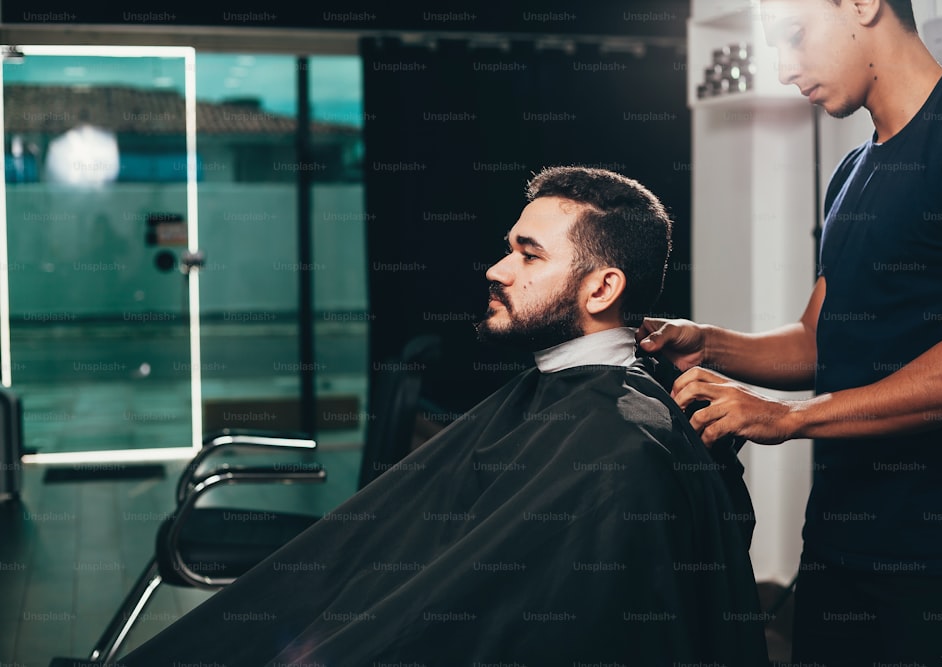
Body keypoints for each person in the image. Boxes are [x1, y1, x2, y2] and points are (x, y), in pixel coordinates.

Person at [115, 166, 769, 666]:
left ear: (602, 287)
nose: (496, 267)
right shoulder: (563, 400)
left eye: (528, 254)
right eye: (508, 248)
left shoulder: (619, 447)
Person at [639, 0, 942, 664]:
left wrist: (788, 417)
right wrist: (709, 342)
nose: (783, 69)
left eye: (794, 38)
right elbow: (819, 337)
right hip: (838, 546)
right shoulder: (849, 175)